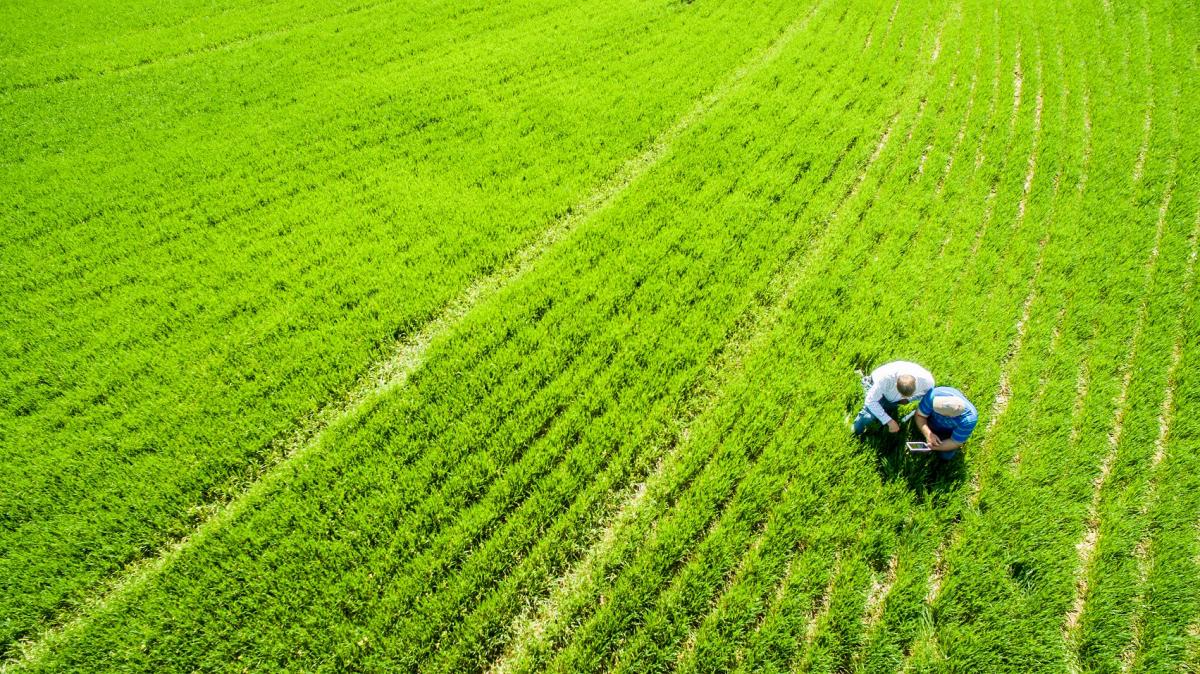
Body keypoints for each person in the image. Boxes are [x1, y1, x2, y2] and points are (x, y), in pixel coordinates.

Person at [851, 360, 935, 435]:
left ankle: (887, 407)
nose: (903, 397)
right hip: (878, 389)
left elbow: (925, 398)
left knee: (882, 416)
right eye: (901, 393)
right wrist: (888, 421)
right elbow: (870, 401)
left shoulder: (927, 382)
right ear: (896, 383)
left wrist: (909, 399)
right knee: (868, 417)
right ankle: (853, 431)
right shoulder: (886, 379)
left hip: (892, 398)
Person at [913, 386, 978, 460]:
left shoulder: (968, 420)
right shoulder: (933, 396)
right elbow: (920, 416)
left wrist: (933, 446)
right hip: (930, 420)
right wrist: (928, 434)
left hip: (948, 433)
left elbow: (955, 442)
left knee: (946, 456)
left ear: (948, 416)